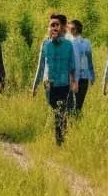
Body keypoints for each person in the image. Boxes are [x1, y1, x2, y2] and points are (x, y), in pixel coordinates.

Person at [31, 15, 78, 146]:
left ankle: (60, 140)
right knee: (55, 109)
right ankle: (61, 134)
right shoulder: (45, 44)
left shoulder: (68, 45)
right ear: (49, 29)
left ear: (61, 28)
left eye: (57, 25)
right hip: (49, 84)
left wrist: (74, 82)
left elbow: (72, 65)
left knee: (61, 110)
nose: (55, 27)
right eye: (52, 25)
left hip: (63, 83)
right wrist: (34, 86)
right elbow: (40, 66)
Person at [66, 18, 95, 114]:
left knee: (79, 105)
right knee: (70, 105)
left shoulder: (86, 43)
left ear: (74, 29)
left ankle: (75, 123)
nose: (68, 29)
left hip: (83, 78)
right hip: (71, 78)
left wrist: (92, 75)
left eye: (69, 27)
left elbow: (89, 60)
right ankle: (71, 123)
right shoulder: (67, 42)